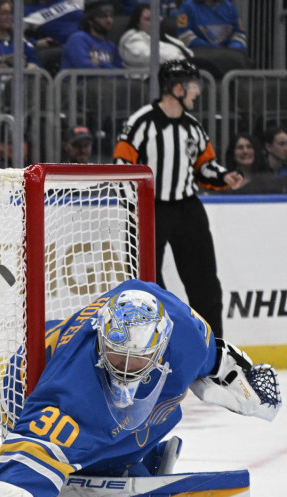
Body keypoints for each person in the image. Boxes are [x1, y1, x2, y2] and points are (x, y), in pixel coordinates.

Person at [0, 281, 281, 497]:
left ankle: (130, 461)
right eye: (117, 357)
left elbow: (215, 358)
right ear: (101, 338)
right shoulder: (73, 385)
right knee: (72, 446)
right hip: (27, 383)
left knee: (144, 414)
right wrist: (15, 492)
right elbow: (37, 445)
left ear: (161, 344)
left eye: (139, 359)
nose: (126, 369)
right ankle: (91, 470)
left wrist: (234, 374)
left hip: (111, 400)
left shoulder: (187, 337)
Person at [114, 59, 243, 338]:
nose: (197, 91)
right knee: (148, 284)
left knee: (205, 284)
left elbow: (204, 166)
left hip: (187, 209)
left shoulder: (193, 127)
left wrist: (224, 176)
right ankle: (154, 344)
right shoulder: (141, 123)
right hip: (150, 210)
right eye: (193, 85)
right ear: (177, 87)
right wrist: (133, 208)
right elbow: (123, 166)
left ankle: (213, 349)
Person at [118, 3, 193, 69]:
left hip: (175, 69)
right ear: (137, 22)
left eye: (155, 18)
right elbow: (148, 56)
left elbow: (187, 52)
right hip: (150, 78)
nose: (153, 22)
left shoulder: (162, 36)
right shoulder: (131, 39)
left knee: (201, 65)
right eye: (148, 19)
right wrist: (181, 59)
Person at [59, 1, 122, 71]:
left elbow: (121, 73)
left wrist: (101, 63)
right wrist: (110, 71)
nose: (109, 20)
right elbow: (85, 68)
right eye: (103, 16)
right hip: (80, 81)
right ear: (90, 21)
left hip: (107, 81)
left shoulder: (111, 46)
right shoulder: (78, 39)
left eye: (111, 16)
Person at [219, 133, 284, 195]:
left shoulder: (270, 181)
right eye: (240, 147)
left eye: (249, 147)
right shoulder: (224, 182)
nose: (245, 151)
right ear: (232, 154)